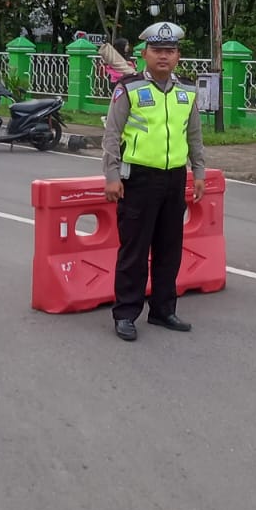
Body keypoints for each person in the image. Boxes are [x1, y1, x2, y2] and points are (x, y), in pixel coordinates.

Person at [102, 21, 206, 342]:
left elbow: (194, 135)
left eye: (170, 51)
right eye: (158, 51)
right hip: (138, 179)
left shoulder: (187, 90)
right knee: (134, 250)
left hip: (174, 178)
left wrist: (198, 171)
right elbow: (112, 134)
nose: (164, 56)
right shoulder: (130, 88)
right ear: (144, 53)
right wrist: (111, 175)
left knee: (169, 249)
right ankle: (126, 313)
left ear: (178, 56)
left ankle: (163, 309)